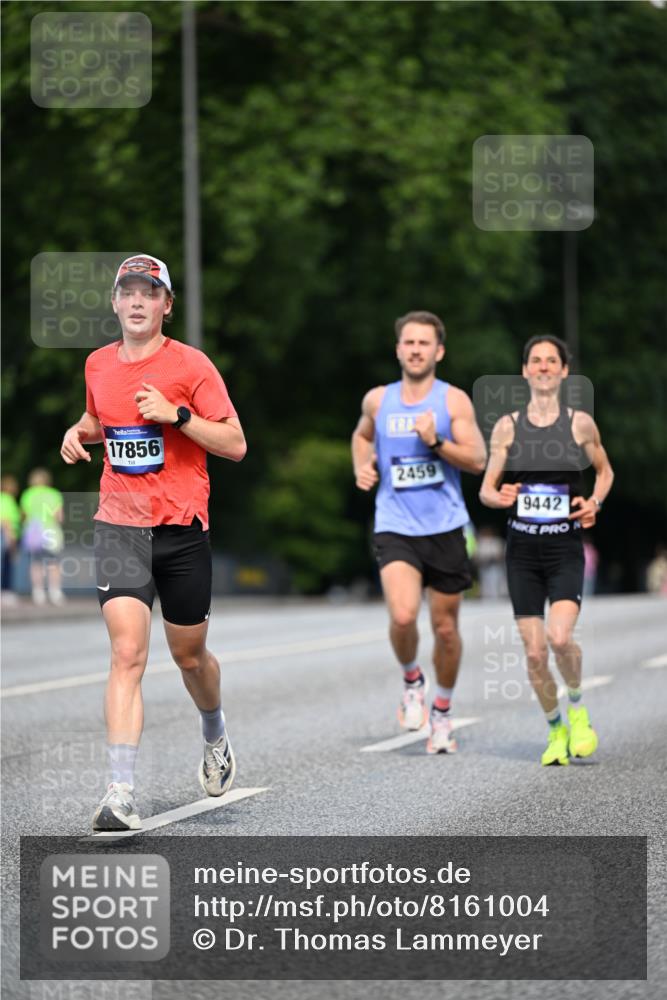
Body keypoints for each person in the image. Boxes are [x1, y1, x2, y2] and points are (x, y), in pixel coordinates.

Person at [61, 253, 246, 831]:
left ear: (167, 305)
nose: (138, 301)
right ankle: (119, 792)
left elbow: (236, 444)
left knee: (189, 656)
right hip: (121, 525)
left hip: (182, 529)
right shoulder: (97, 364)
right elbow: (104, 420)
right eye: (128, 291)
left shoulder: (192, 364)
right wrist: (78, 431)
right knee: (126, 654)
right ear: (116, 302)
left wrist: (178, 414)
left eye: (150, 292)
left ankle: (214, 731)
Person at [352, 310, 486, 753]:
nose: (415, 350)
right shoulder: (379, 400)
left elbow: (478, 460)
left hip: (446, 528)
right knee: (404, 615)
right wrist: (361, 465)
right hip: (396, 524)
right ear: (398, 350)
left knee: (446, 629)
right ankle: (413, 679)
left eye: (423, 343)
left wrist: (436, 442)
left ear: (439, 351)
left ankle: (442, 713)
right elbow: (362, 436)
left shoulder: (453, 402)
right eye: (408, 342)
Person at [479, 335, 614, 766]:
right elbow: (485, 488)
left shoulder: (580, 424)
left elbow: (605, 472)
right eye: (535, 361)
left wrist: (594, 502)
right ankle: (555, 728)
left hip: (563, 549)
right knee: (535, 652)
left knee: (559, 639)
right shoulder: (507, 426)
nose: (542, 367)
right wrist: (497, 497)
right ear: (524, 371)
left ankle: (577, 707)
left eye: (550, 361)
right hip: (522, 552)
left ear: (563, 371)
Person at [19, 468, 66, 605]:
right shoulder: (54, 494)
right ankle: (55, 592)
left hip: (34, 531)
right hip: (50, 530)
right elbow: (59, 516)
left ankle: (38, 593)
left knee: (36, 563)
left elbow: (24, 515)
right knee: (54, 563)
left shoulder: (27, 494)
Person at [1, 474, 21, 605]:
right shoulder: (7, 500)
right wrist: (11, 540)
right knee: (6, 564)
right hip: (6, 535)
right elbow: (6, 521)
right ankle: (6, 591)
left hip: (5, 534)